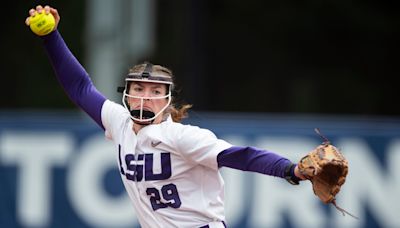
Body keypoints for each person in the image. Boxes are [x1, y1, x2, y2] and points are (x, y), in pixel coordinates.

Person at [26, 5, 306, 228]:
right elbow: (79, 88)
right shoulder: (120, 123)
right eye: (138, 88)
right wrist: (50, 38)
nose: (146, 96)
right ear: (127, 94)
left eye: (155, 90)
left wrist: (290, 170)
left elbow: (241, 155)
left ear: (167, 98)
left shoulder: (181, 137)